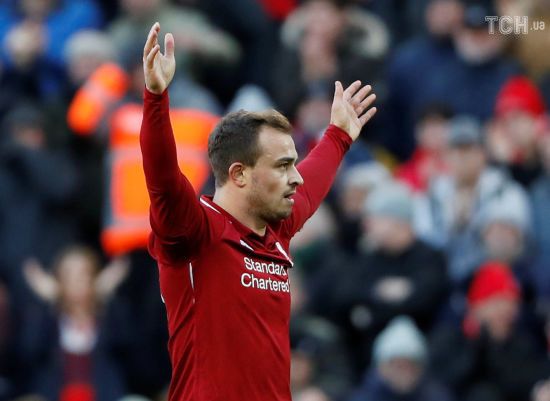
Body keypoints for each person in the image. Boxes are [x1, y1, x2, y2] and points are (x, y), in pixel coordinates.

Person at [140, 22, 377, 401]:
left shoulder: (275, 231)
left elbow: (311, 187)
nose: (295, 177)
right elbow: (163, 180)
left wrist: (338, 135)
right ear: (239, 174)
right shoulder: (195, 232)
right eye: (282, 166)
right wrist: (155, 99)